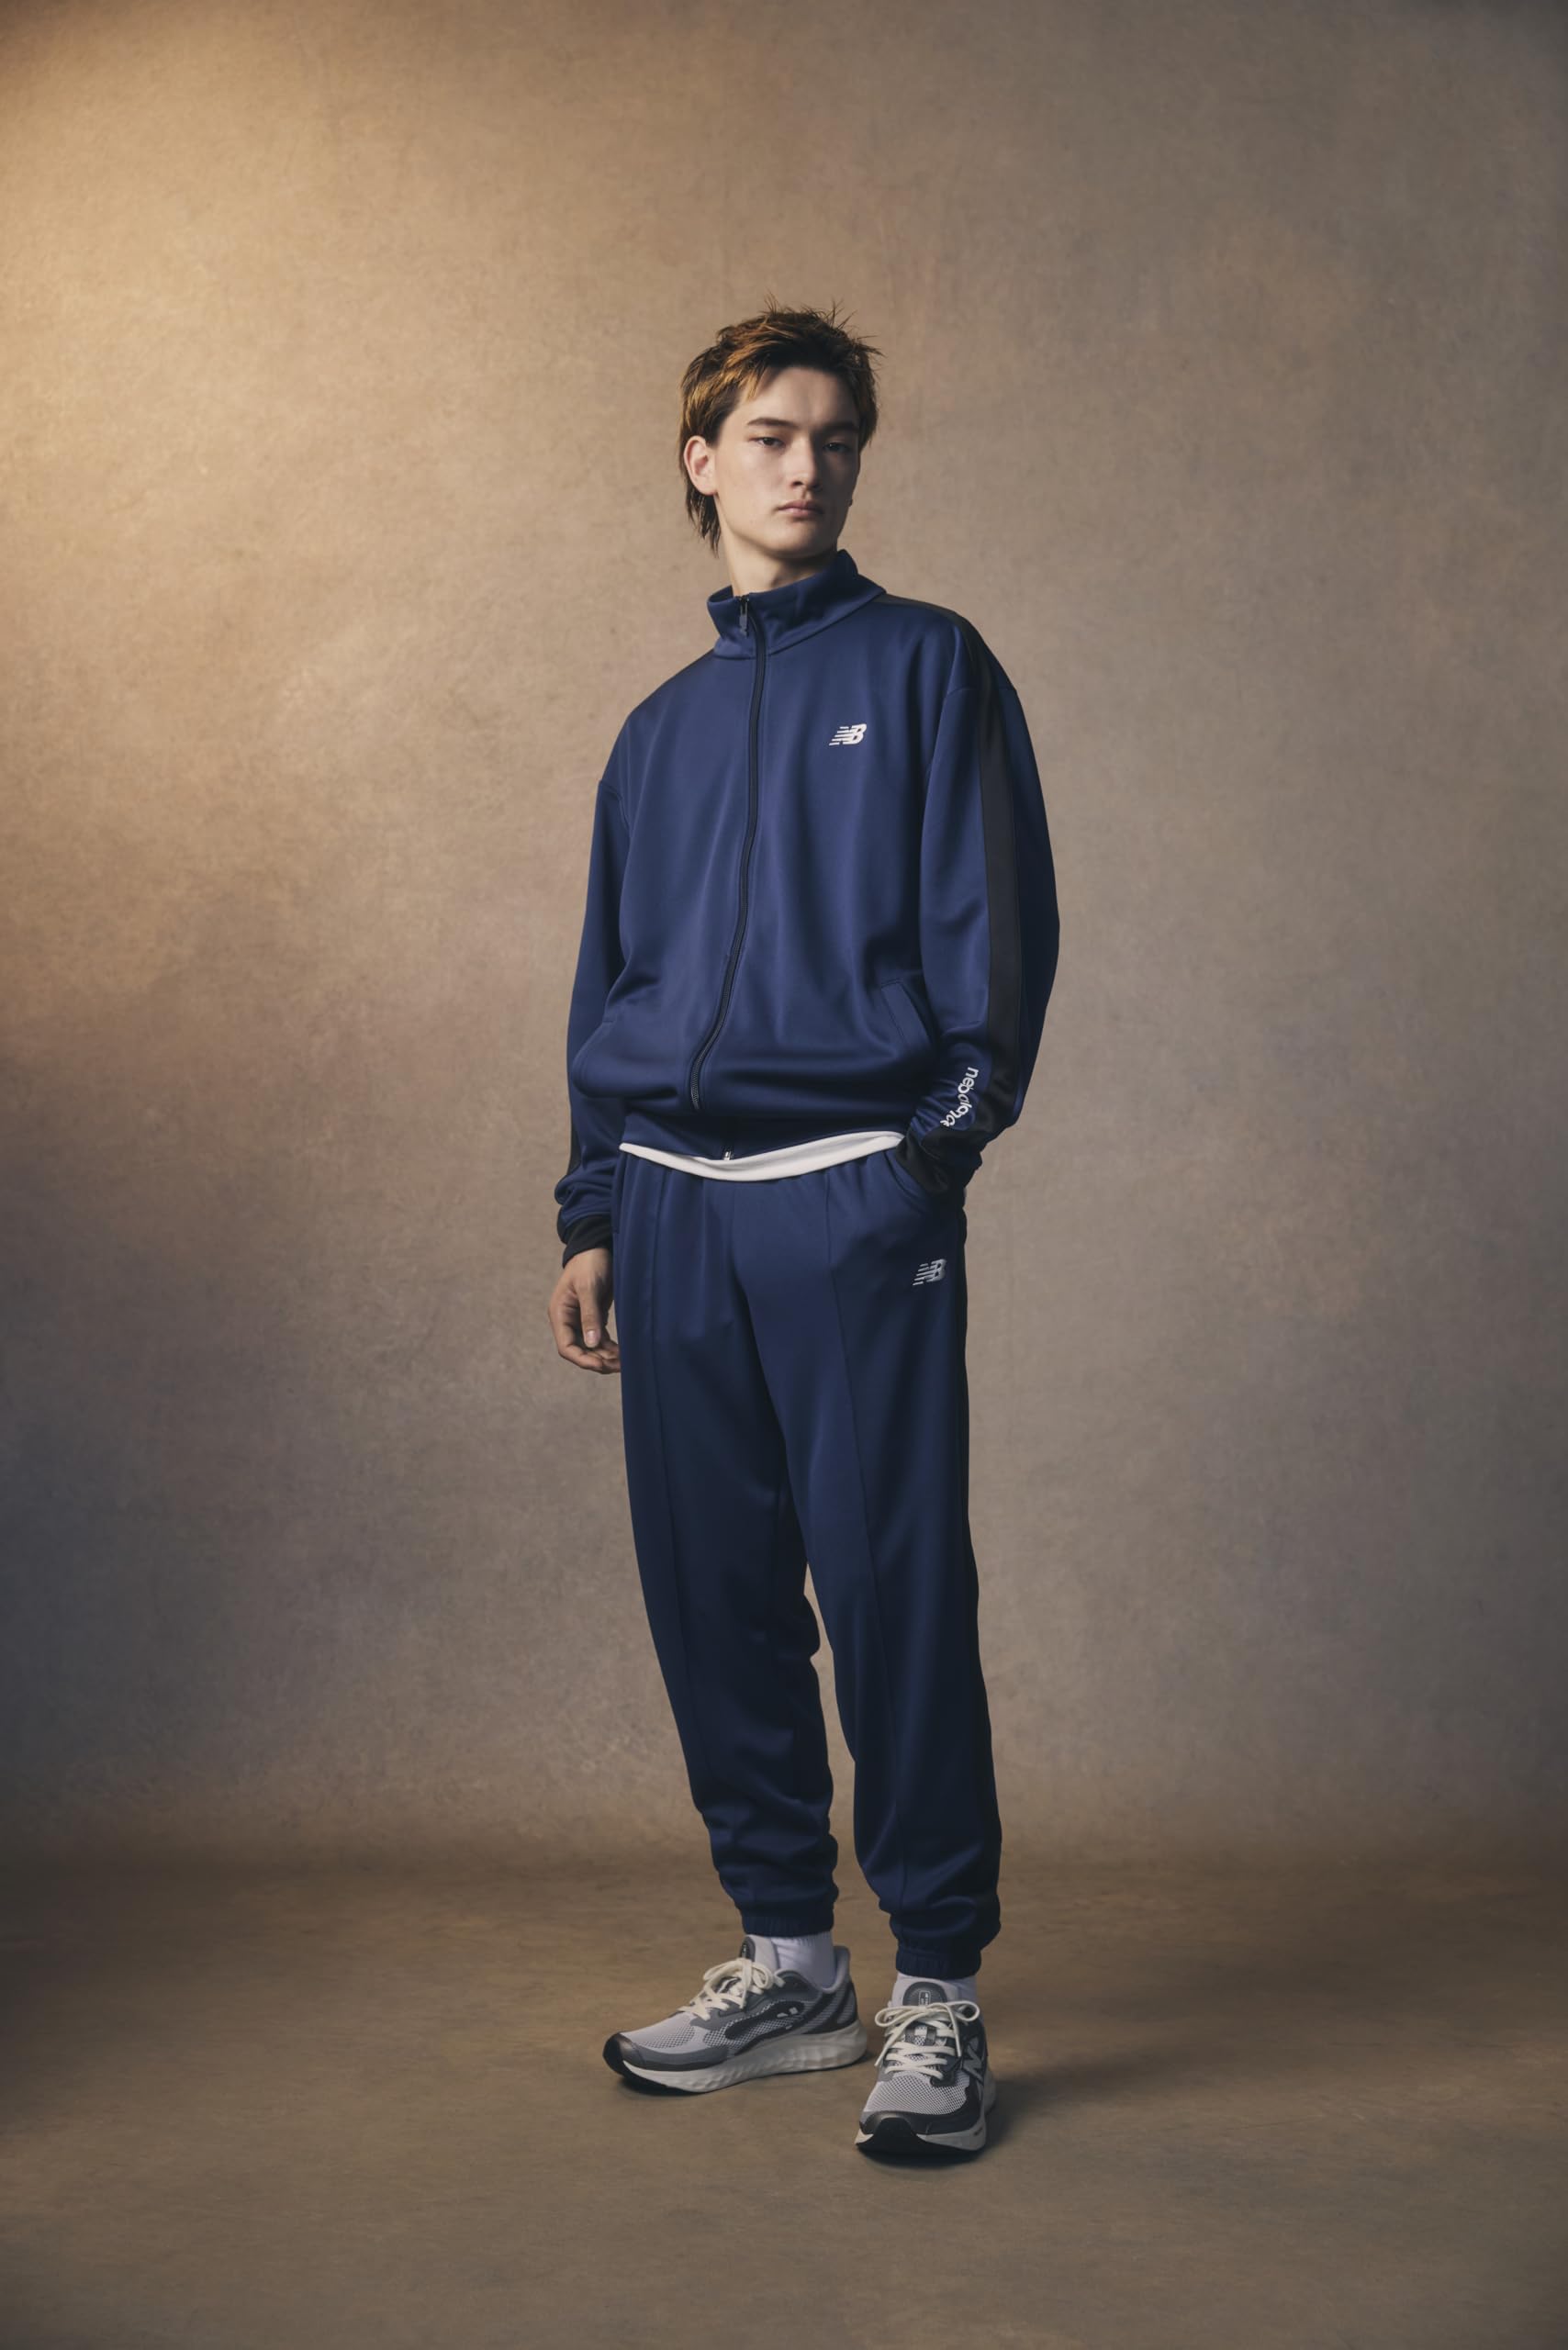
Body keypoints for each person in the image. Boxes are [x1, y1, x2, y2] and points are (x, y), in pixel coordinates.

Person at [546, 298, 1060, 2158]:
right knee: (717, 1599)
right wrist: (594, 1203)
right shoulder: (656, 734)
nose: (808, 465)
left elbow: (996, 936)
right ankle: (790, 1964)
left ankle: (939, 1985)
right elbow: (612, 979)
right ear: (703, 460)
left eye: (835, 438)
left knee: (892, 1589)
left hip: (851, 1199)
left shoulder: (928, 665)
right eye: (770, 434)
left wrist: (929, 1158)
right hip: (673, 1216)